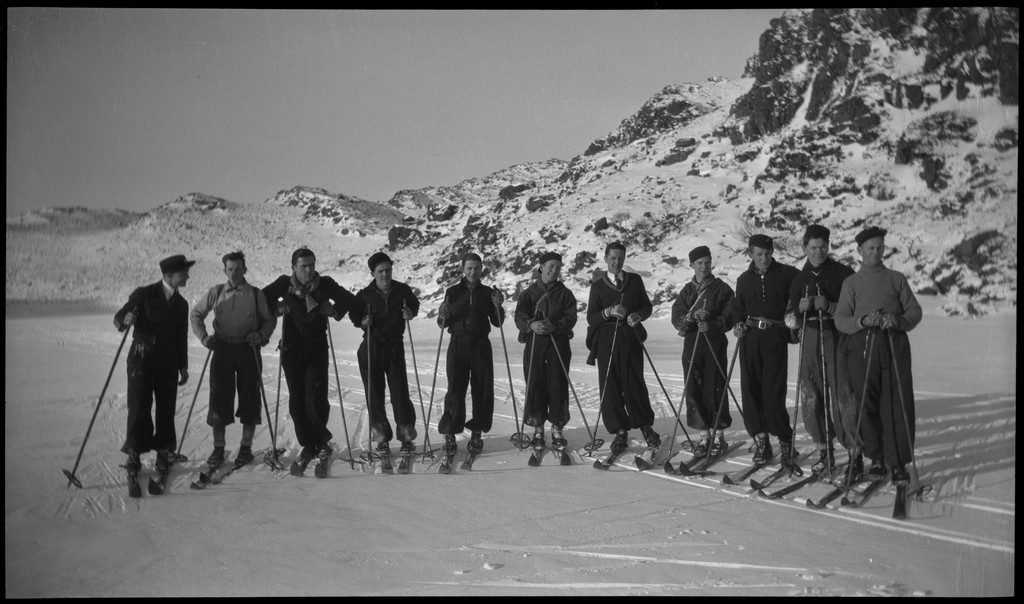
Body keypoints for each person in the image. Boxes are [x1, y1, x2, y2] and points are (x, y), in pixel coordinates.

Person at [835, 227, 923, 486]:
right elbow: (841, 319)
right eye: (870, 248)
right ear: (860, 251)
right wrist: (862, 320)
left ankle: (897, 463)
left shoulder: (896, 279)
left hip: (893, 343)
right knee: (867, 402)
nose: (876, 252)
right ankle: (877, 459)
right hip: (863, 345)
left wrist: (897, 320)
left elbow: (914, 311)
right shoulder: (851, 283)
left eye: (880, 248)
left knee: (897, 402)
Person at [263, 247, 355, 468]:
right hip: (291, 349)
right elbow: (260, 299)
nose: (308, 270)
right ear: (293, 267)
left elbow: (349, 300)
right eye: (303, 266)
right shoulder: (284, 284)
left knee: (315, 397)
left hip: (316, 348)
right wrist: (276, 308)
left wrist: (332, 310)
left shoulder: (325, 284)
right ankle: (307, 443)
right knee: (296, 401)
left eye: (312, 265)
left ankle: (321, 440)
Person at [190, 251, 277, 468]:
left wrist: (261, 335)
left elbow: (269, 320)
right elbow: (196, 314)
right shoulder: (216, 292)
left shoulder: (256, 294)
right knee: (219, 398)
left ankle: (246, 448)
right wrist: (203, 337)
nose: (235, 273)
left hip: (248, 349)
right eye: (231, 269)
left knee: (250, 398)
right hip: (222, 349)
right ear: (225, 271)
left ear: (245, 269)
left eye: (239, 269)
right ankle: (218, 449)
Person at [113, 254, 194, 485]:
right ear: (169, 275)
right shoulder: (144, 293)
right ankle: (134, 455)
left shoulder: (182, 304)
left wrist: (183, 365)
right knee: (139, 405)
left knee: (166, 408)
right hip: (142, 357)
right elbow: (120, 316)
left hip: (168, 360)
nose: (188, 275)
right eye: (184, 272)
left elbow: (181, 337)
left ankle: (163, 453)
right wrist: (125, 320)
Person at [784, 225, 857, 477]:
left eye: (823, 246)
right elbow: (789, 321)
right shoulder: (798, 279)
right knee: (811, 395)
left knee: (842, 395)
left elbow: (856, 312)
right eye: (813, 247)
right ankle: (824, 450)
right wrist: (798, 311)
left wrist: (830, 306)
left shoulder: (844, 274)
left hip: (837, 337)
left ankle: (853, 453)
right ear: (804, 248)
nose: (819, 251)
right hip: (810, 338)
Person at [728, 234, 801, 468]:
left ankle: (785, 440)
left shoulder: (788, 274)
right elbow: (738, 308)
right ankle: (761, 441)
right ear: (750, 254)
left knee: (773, 392)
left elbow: (802, 295)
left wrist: (796, 320)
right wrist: (737, 323)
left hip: (775, 337)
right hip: (750, 338)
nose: (764, 258)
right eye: (759, 254)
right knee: (751, 391)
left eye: (768, 253)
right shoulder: (743, 279)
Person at [586, 242, 659, 453]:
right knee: (610, 386)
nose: (617, 262)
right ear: (606, 259)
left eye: (621, 258)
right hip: (606, 341)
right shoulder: (598, 286)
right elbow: (592, 318)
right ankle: (619, 432)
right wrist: (608, 312)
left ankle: (646, 427)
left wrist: (638, 315)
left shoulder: (634, 281)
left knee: (635, 382)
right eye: (613, 258)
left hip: (630, 338)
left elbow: (646, 306)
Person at [348, 252, 420, 460]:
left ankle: (406, 436)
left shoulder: (402, 290)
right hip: (371, 347)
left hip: (394, 345)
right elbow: (354, 314)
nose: (385, 274)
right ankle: (381, 438)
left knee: (400, 392)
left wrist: (410, 313)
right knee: (375, 393)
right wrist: (363, 321)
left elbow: (414, 305)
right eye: (380, 271)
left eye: (388, 270)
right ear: (372, 273)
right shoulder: (365, 294)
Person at [435, 253, 506, 457]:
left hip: (481, 344)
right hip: (457, 345)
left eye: (476, 268)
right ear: (463, 269)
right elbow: (442, 324)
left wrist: (497, 305)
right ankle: (450, 433)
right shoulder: (452, 291)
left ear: (481, 269)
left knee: (482, 390)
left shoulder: (488, 293)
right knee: (455, 390)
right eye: (469, 268)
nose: (472, 272)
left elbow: (497, 322)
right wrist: (443, 313)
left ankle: (477, 432)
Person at [670, 245, 735, 456]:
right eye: (699, 263)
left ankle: (719, 436)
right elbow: (677, 318)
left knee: (715, 386)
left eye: (707, 262)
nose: (704, 266)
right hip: (692, 343)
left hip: (714, 343)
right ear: (692, 265)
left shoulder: (723, 289)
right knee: (694, 386)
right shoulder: (687, 292)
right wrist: (691, 316)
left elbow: (730, 315)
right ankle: (703, 436)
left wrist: (713, 324)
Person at [513, 251, 578, 450]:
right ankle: (538, 426)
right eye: (550, 266)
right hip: (535, 344)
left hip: (558, 343)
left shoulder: (565, 294)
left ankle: (557, 427)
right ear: (541, 267)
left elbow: (571, 317)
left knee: (557, 383)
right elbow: (519, 317)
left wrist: (555, 326)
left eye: (558, 267)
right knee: (535, 382)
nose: (554, 270)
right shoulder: (528, 293)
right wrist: (530, 325)